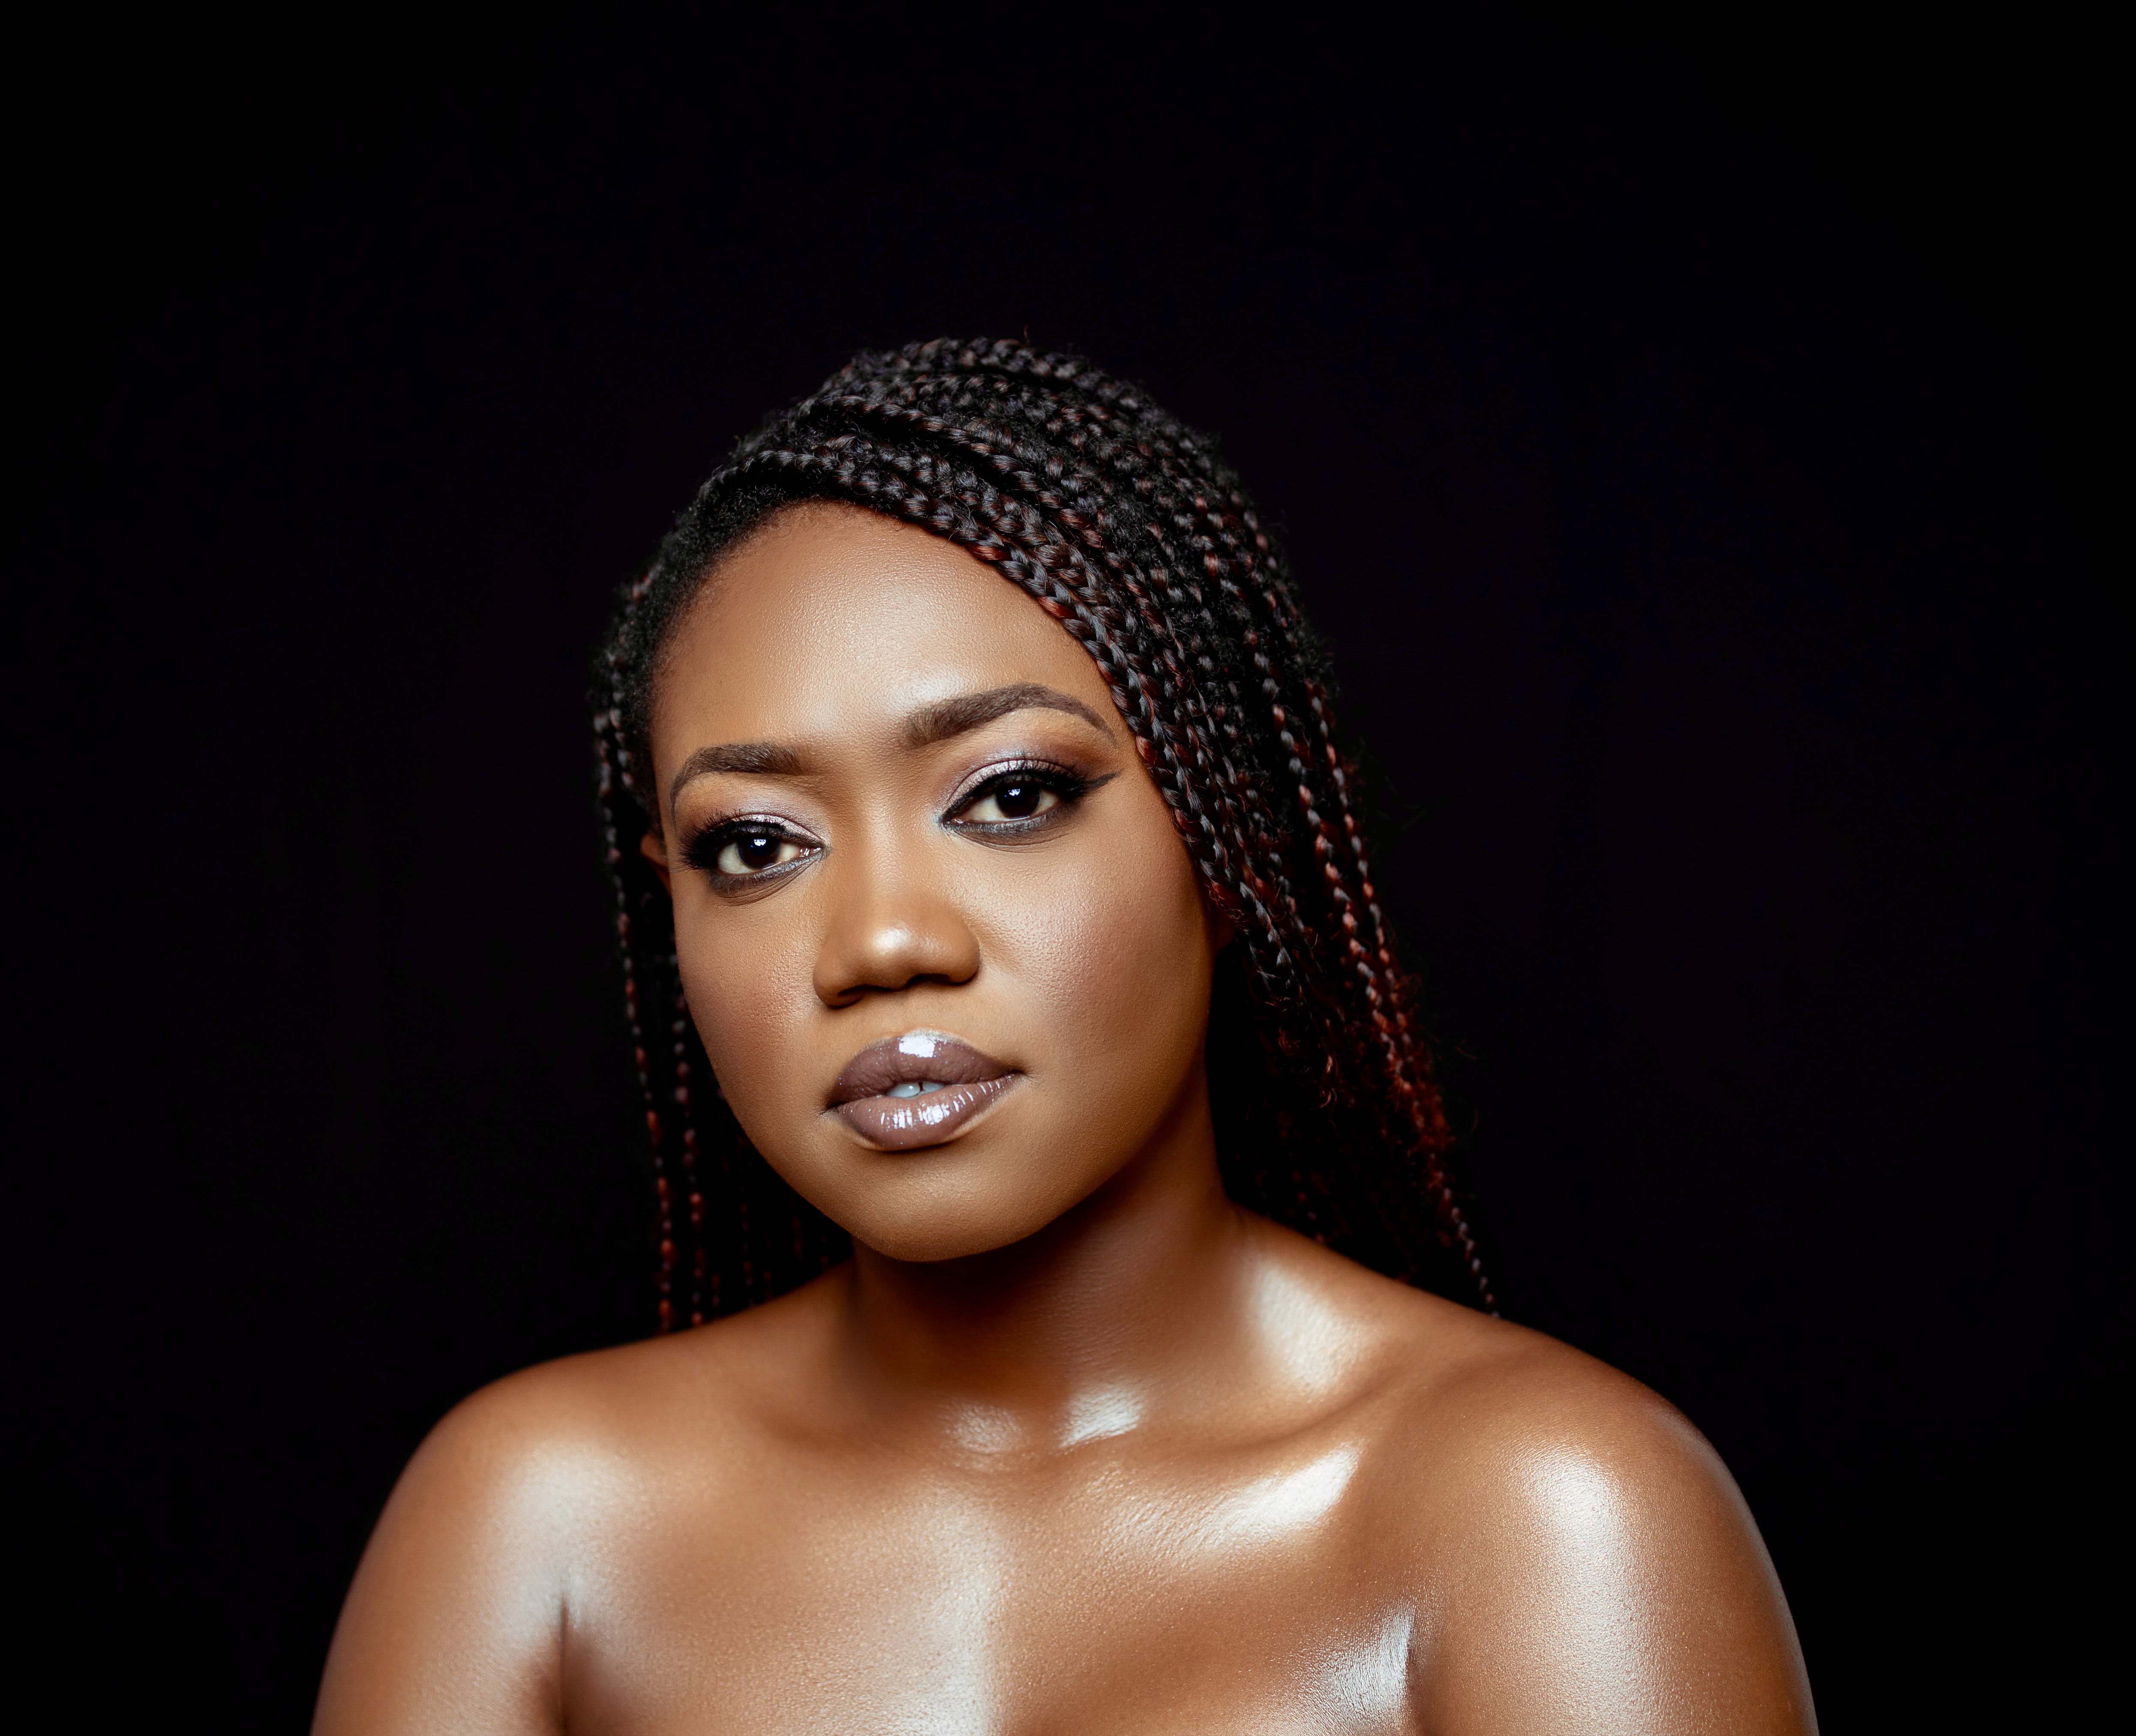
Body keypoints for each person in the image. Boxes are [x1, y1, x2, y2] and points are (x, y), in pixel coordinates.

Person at [313, 338, 1816, 1733]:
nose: (881, 942)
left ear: (1226, 837)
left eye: (1012, 795)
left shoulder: (1542, 1517)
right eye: (757, 846)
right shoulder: (537, 1527)